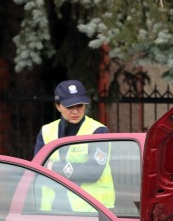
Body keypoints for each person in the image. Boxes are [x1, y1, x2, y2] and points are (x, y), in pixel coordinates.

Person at [35, 80, 114, 211]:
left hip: (91, 209)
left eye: (80, 105)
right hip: (53, 208)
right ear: (58, 106)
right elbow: (39, 170)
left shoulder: (98, 131)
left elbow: (92, 173)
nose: (75, 111)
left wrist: (54, 166)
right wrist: (77, 170)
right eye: (69, 107)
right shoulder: (46, 131)